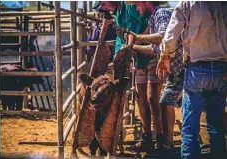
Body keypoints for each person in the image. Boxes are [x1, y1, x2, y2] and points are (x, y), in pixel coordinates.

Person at [157, 1, 227, 159]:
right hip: (221, 69)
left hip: (196, 69)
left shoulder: (187, 3)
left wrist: (165, 54)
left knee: (189, 130)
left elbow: (172, 33)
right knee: (216, 126)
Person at [96, 1, 158, 150]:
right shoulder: (118, 12)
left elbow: (149, 25)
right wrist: (119, 56)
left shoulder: (132, 7)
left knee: (152, 97)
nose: (103, 7)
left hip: (148, 54)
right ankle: (147, 136)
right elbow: (121, 37)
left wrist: (134, 45)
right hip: (136, 57)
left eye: (103, 3)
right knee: (140, 96)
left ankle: (159, 138)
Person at [125, 1, 177, 151]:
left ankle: (165, 142)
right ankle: (163, 142)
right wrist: (132, 47)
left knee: (161, 99)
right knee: (159, 99)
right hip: (176, 64)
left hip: (180, 65)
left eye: (138, 3)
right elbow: (155, 48)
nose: (136, 7)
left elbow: (162, 37)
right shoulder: (154, 17)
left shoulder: (161, 13)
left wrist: (137, 38)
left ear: (146, 1)